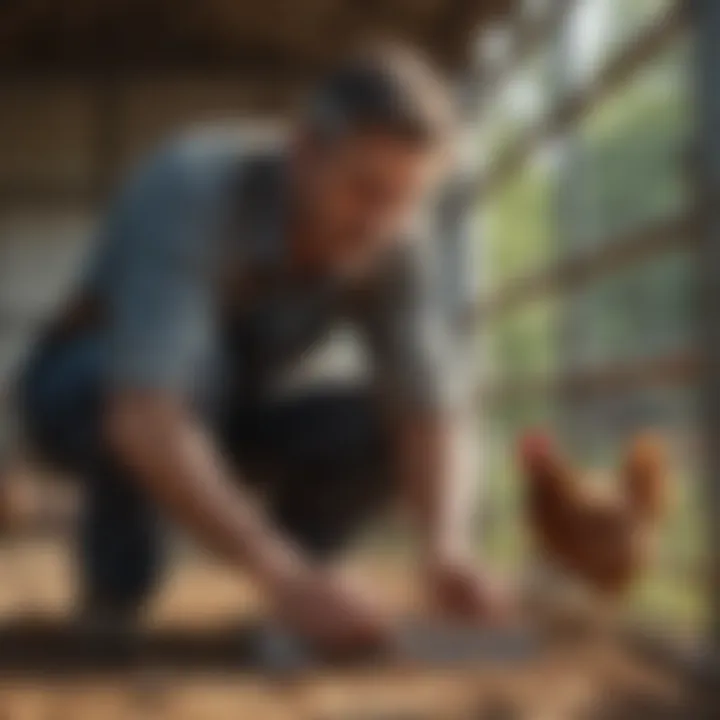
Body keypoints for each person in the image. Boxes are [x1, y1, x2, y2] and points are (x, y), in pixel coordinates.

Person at [20, 44, 510, 655]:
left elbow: (430, 410)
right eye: (364, 188)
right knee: (182, 373)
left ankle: (306, 602)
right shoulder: (191, 185)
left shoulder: (396, 237)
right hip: (91, 389)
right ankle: (116, 598)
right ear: (304, 152)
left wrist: (447, 545)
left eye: (407, 199)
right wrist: (278, 569)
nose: (380, 221)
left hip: (223, 411)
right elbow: (144, 415)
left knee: (371, 425)